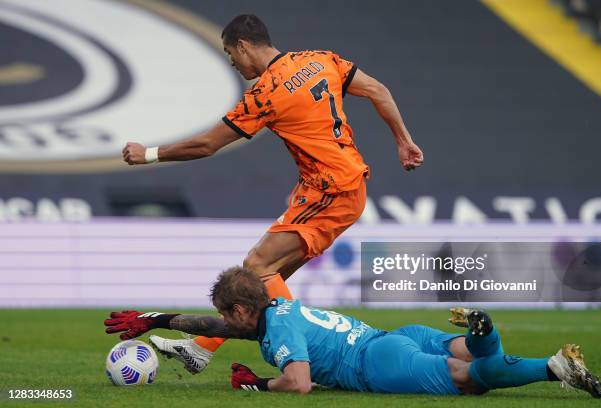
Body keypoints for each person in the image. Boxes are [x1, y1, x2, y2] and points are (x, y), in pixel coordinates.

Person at [120, 13, 424, 373]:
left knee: (257, 265)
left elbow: (206, 145)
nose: (232, 61)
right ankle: (202, 347)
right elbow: (377, 90)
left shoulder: (266, 93)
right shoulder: (321, 59)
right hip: (340, 185)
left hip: (331, 189)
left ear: (244, 46)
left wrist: (149, 154)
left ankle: (305, 359)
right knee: (260, 283)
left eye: (231, 53)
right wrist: (404, 141)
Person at [104, 267, 601, 398]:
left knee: (470, 379)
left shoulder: (277, 329)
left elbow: (299, 382)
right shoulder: (277, 309)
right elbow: (217, 326)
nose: (219, 321)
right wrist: (156, 320)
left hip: (378, 365)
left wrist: (257, 384)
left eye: (224, 312)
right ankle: (486, 333)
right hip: (393, 335)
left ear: (242, 309)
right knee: (465, 347)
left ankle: (551, 367)